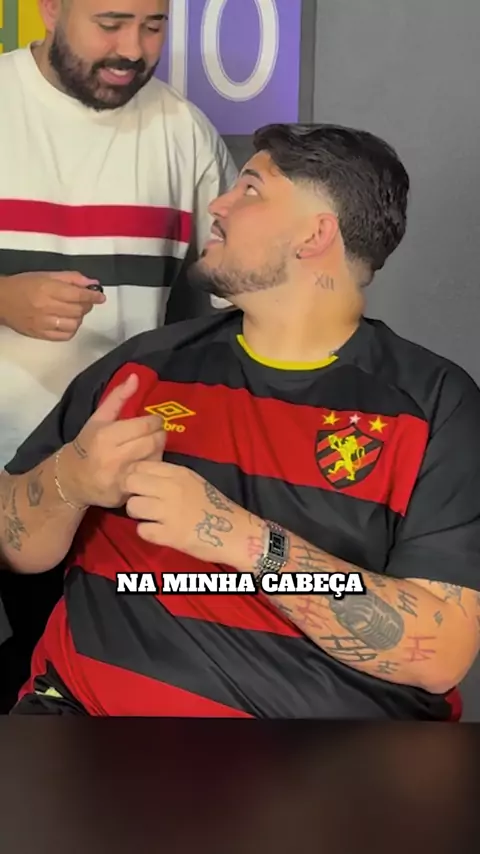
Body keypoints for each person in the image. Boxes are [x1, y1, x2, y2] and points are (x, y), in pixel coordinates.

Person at [1, 123, 479, 718]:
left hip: (322, 760)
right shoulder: (144, 366)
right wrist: (72, 479)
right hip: (84, 729)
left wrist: (237, 538)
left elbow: (439, 653)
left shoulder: (433, 405)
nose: (218, 206)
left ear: (315, 234)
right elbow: (14, 541)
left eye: (250, 189)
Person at [0, 0, 236, 468]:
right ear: (51, 10)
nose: (132, 50)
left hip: (119, 471)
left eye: (153, 27)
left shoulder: (184, 131)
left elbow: (252, 299)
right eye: (111, 25)